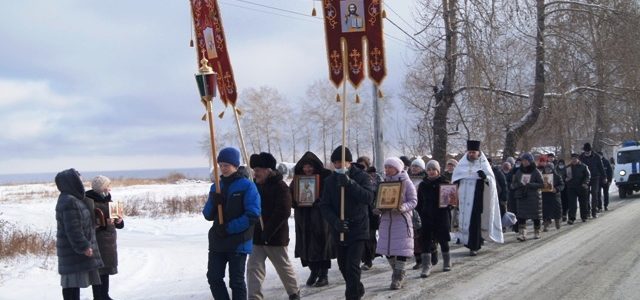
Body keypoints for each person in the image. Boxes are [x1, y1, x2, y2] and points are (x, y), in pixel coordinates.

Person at [203, 147, 261, 300]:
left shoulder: (247, 186)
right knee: (214, 277)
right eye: (221, 165)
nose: (223, 168)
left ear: (235, 165)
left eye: (226, 165)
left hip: (238, 241)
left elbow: (252, 214)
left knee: (236, 282)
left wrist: (228, 228)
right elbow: (207, 215)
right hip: (218, 241)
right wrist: (214, 202)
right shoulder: (216, 187)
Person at [319, 146, 375, 300]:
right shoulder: (330, 181)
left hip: (358, 228)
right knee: (343, 267)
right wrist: (335, 221)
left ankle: (352, 296)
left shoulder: (362, 177)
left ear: (349, 162)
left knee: (352, 266)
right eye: (335, 163)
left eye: (341, 162)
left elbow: (369, 198)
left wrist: (350, 184)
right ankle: (357, 287)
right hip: (340, 230)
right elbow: (324, 205)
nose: (338, 165)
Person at [247, 152, 300, 300]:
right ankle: (254, 297)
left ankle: (294, 292)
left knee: (282, 266)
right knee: (254, 268)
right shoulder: (254, 187)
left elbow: (283, 211)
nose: (255, 173)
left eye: (258, 170)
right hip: (257, 236)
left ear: (268, 170)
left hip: (275, 236)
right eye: (254, 170)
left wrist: (268, 231)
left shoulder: (280, 186)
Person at [55, 168, 103, 300]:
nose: (82, 182)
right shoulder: (69, 201)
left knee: (72, 284)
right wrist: (84, 246)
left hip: (72, 250)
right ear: (71, 182)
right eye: (79, 179)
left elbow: (80, 222)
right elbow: (73, 228)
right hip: (72, 250)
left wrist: (93, 225)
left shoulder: (73, 199)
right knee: (71, 284)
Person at [451, 140, 503, 256]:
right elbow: (454, 180)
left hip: (477, 200)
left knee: (474, 223)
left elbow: (492, 184)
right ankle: (468, 242)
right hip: (463, 201)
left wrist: (484, 177)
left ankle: (474, 246)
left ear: (478, 153)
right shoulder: (461, 165)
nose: (471, 154)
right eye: (469, 152)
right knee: (465, 222)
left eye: (473, 152)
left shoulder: (484, 165)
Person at [291, 151, 335, 287]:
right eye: (305, 167)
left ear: (315, 166)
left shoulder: (326, 177)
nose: (307, 169)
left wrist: (320, 201)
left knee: (321, 244)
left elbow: (332, 195)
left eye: (310, 166)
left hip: (320, 218)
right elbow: (290, 195)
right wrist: (296, 201)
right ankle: (313, 271)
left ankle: (323, 274)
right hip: (303, 218)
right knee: (306, 246)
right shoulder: (297, 179)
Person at [374, 157, 417, 290]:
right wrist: (378, 208)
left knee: (401, 249)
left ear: (397, 168)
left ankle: (398, 276)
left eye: (390, 167)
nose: (387, 170)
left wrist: (402, 207)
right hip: (386, 221)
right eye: (386, 167)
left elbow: (413, 201)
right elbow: (378, 201)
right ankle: (397, 271)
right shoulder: (383, 183)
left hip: (401, 220)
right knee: (388, 249)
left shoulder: (406, 182)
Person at [86, 175, 124, 300]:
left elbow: (120, 225)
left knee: (106, 270)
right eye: (108, 186)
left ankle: (105, 295)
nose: (110, 188)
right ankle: (98, 297)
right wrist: (104, 224)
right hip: (97, 241)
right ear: (101, 188)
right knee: (98, 271)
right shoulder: (89, 202)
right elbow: (89, 224)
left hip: (110, 242)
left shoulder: (110, 201)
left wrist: (119, 221)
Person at [416, 160, 452, 278]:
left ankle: (447, 261)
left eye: (433, 170)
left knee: (443, 239)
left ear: (438, 171)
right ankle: (426, 265)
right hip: (426, 216)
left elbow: (451, 201)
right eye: (429, 170)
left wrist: (450, 203)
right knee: (425, 241)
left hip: (441, 216)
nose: (431, 172)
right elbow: (419, 202)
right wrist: (420, 213)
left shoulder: (445, 183)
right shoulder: (422, 185)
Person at [511, 153, 544, 241]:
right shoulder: (519, 171)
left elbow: (542, 184)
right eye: (523, 161)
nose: (524, 162)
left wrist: (531, 185)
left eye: (526, 161)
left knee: (536, 215)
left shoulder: (536, 171)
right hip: (522, 196)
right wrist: (518, 185)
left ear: (530, 161)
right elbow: (513, 184)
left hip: (533, 197)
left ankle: (537, 231)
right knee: (521, 216)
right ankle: (522, 233)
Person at [408, 157, 428, 270]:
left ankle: (428, 256)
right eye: (413, 166)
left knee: (423, 235)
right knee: (414, 236)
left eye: (417, 166)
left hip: (423, 210)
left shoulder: (425, 180)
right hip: (411, 210)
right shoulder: (408, 179)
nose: (414, 168)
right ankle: (418, 259)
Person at [361, 165, 381, 271]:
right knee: (364, 238)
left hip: (373, 213)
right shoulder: (361, 181)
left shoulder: (378, 181)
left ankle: (370, 258)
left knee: (371, 237)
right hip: (363, 213)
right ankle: (366, 259)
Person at [537, 157, 564, 231]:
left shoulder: (557, 176)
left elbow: (562, 185)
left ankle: (557, 222)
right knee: (546, 211)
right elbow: (538, 184)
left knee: (557, 210)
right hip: (545, 196)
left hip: (555, 196)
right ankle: (546, 225)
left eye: (549, 169)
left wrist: (557, 189)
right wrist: (540, 188)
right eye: (546, 169)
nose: (548, 170)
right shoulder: (542, 177)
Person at [579, 143, 605, 218]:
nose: (587, 153)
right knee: (586, 195)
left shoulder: (596, 156)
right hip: (585, 178)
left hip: (595, 177)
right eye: (586, 152)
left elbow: (601, 167)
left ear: (591, 150)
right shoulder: (581, 157)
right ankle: (587, 211)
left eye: (588, 152)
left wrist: (604, 177)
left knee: (594, 193)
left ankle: (594, 211)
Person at [565, 153, 591, 224]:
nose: (574, 160)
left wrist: (585, 183)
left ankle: (584, 216)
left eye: (575, 159)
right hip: (571, 188)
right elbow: (564, 176)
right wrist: (565, 179)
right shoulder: (568, 167)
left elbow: (588, 176)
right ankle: (571, 218)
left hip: (582, 187)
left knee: (583, 203)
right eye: (572, 159)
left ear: (578, 159)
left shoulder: (584, 166)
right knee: (572, 204)